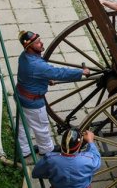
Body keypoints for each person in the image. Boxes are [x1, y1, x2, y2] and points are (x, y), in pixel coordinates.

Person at [16, 30, 90, 158]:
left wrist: (45, 78)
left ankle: (23, 150)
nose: (41, 43)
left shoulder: (24, 56)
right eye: (38, 43)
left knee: (23, 124)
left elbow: (33, 75)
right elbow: (59, 73)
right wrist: (81, 72)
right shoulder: (36, 65)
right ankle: (46, 150)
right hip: (33, 103)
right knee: (41, 127)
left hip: (21, 95)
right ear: (29, 47)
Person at [32, 129, 101, 188]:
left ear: (62, 144)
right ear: (79, 145)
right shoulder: (88, 160)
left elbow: (36, 173)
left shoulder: (50, 159)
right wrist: (90, 142)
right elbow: (97, 159)